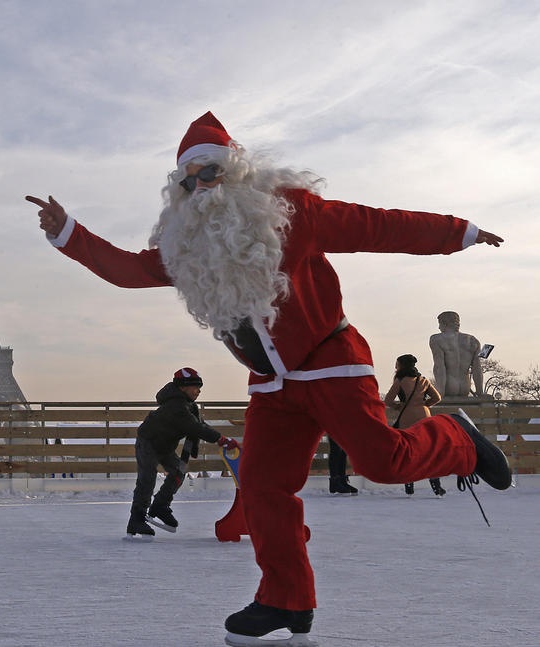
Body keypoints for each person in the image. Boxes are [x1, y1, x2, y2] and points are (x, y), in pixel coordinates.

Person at [26, 111, 511, 644]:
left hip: (330, 360)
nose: (200, 189)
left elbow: (377, 225)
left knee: (383, 462)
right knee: (261, 488)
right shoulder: (186, 250)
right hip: (274, 384)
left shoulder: (291, 214)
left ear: (236, 172)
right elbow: (127, 270)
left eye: (208, 173)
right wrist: (68, 233)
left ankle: (455, 436)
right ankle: (286, 598)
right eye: (187, 182)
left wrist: (457, 232)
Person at [127, 367, 238, 539]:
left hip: (165, 447)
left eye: (200, 387)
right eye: (195, 386)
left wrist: (222, 438)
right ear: (182, 387)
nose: (199, 390)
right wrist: (220, 439)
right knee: (147, 479)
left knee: (179, 471)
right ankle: (137, 519)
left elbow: (200, 424)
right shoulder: (175, 406)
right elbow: (195, 427)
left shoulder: (189, 406)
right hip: (148, 443)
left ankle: (160, 506)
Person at [384, 354, 445, 496]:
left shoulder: (400, 381)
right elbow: (437, 397)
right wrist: (425, 405)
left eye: (397, 364)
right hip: (425, 417)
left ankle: (409, 487)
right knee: (429, 453)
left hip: (407, 418)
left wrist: (398, 406)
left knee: (409, 453)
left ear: (401, 366)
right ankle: (437, 487)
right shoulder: (423, 380)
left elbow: (387, 400)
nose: (395, 367)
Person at [430, 311, 485, 398]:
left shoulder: (437, 339)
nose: (439, 327)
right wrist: (480, 392)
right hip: (465, 387)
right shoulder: (472, 340)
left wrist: (440, 393)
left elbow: (439, 367)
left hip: (449, 387)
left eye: (439, 324)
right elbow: (477, 369)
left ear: (444, 323)